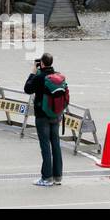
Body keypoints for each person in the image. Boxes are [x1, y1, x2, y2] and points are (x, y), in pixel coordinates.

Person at [24, 52, 66, 187]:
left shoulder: (40, 77)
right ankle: (58, 176)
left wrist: (32, 73)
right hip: (56, 114)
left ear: (41, 63)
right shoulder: (58, 77)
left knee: (45, 146)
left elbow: (27, 89)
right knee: (56, 145)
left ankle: (46, 177)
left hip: (42, 116)